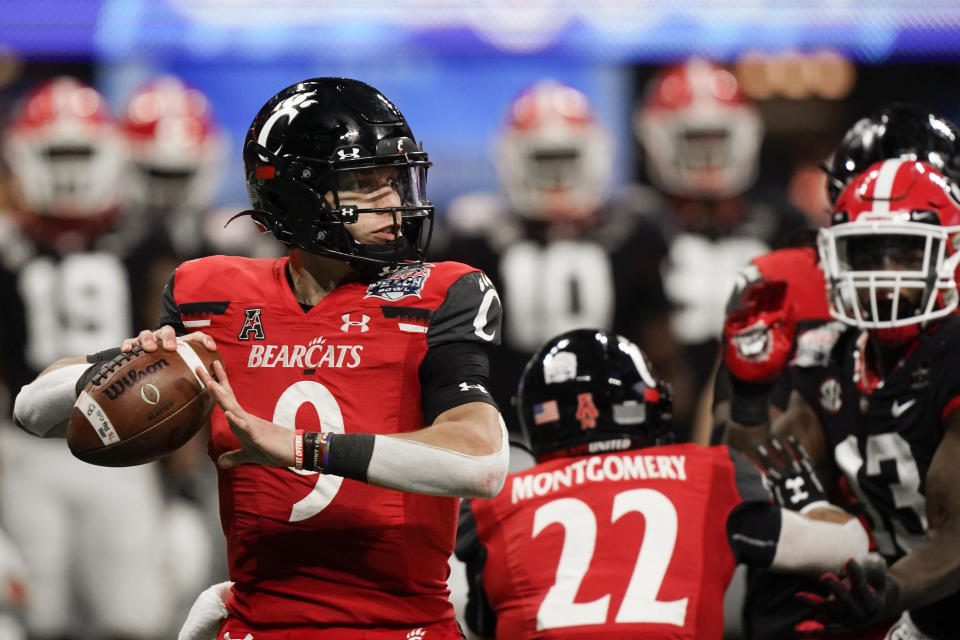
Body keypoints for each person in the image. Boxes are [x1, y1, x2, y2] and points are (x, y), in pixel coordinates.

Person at [13, 77, 509, 638]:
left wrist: (297, 447)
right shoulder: (214, 295)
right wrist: (138, 364)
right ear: (299, 194)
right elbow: (35, 408)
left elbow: (482, 459)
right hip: (259, 624)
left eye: (395, 182)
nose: (394, 202)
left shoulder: (439, 292)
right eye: (365, 184)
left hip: (399, 626)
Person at [451, 328, 869, 639]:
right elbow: (849, 549)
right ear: (644, 408)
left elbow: (479, 624)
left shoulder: (494, 503)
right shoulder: (707, 473)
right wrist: (809, 500)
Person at [721, 158, 960, 639]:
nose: (884, 274)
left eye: (906, 254)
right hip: (904, 601)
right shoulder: (829, 352)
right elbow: (757, 488)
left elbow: (956, 543)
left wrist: (887, 591)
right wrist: (749, 395)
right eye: (868, 253)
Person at [0, 76, 187, 640]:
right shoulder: (146, 241)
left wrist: (182, 489)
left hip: (126, 445)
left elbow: (181, 361)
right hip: (27, 452)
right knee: (33, 617)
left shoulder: (148, 241)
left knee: (131, 616)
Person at [438, 79, 684, 442]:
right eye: (543, 160)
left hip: (617, 424)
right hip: (509, 429)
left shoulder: (635, 231)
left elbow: (660, 350)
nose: (555, 176)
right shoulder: (474, 238)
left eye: (566, 159)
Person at [632, 57, 810, 441]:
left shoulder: (783, 221)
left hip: (762, 399)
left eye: (717, 138)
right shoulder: (635, 224)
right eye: (694, 140)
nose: (708, 154)